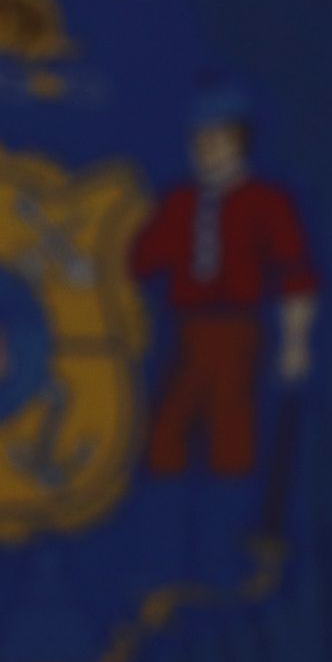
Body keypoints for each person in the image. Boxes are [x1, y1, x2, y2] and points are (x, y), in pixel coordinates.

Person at [130, 92, 317, 476]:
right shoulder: (179, 203)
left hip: (237, 327)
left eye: (214, 140)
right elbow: (142, 262)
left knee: (231, 430)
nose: (203, 150)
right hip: (186, 329)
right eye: (198, 141)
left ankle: (231, 511)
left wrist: (295, 342)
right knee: (167, 431)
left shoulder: (268, 203)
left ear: (238, 143)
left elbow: (295, 275)